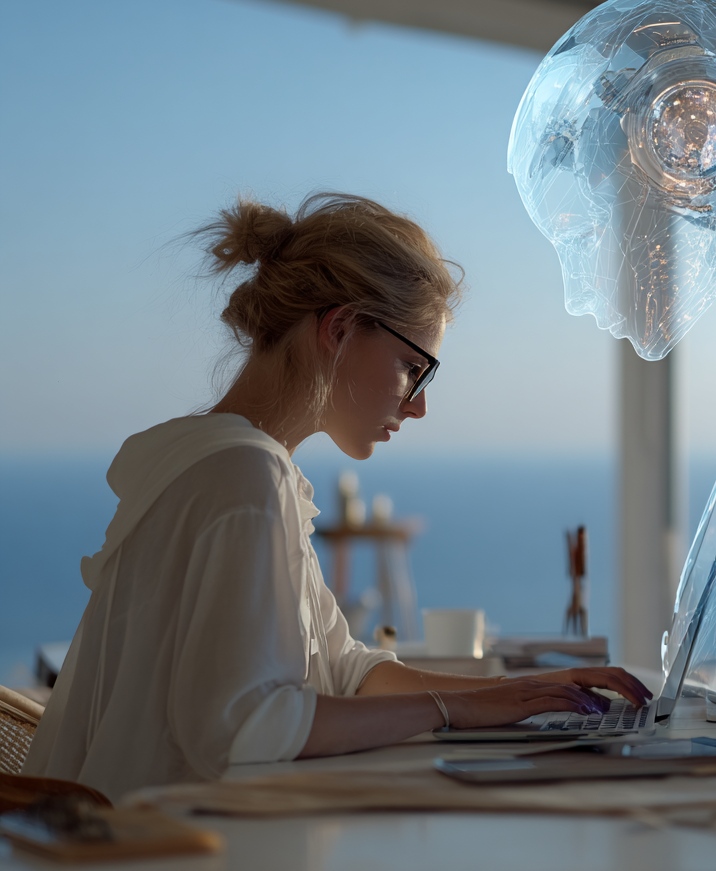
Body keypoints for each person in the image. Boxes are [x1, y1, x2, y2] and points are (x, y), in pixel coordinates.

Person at [22, 193, 651, 800]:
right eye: (416, 368)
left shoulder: (238, 462)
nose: (420, 404)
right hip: (162, 845)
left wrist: (512, 692)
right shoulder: (243, 474)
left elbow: (345, 669)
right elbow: (246, 727)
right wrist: (453, 707)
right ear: (342, 328)